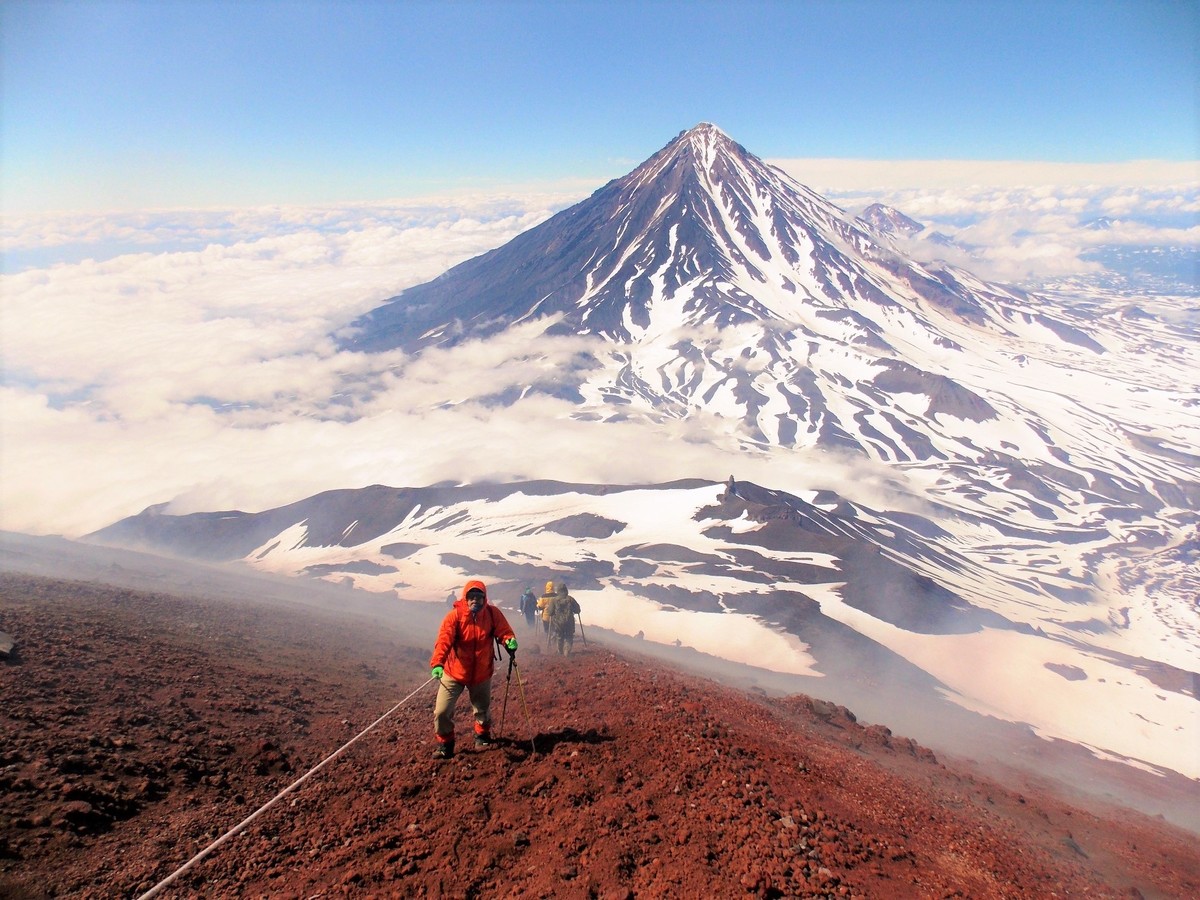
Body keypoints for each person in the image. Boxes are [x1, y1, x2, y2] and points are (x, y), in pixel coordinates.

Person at [428, 580, 517, 759]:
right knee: (442, 711)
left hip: (482, 672)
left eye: (479, 596)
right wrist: (437, 664)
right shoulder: (454, 617)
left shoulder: (492, 614)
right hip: (454, 672)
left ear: (485, 598)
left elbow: (504, 631)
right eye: (471, 596)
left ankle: (482, 737)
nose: (475, 600)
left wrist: (509, 640)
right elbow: (443, 641)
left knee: (482, 709)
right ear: (465, 598)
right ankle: (446, 744)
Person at [547, 582, 581, 657]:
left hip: (558, 622)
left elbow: (550, 612)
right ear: (566, 590)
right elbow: (577, 610)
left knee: (559, 636)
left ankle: (560, 651)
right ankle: (567, 650)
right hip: (569, 622)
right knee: (569, 636)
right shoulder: (570, 599)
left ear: (558, 590)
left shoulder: (554, 600)